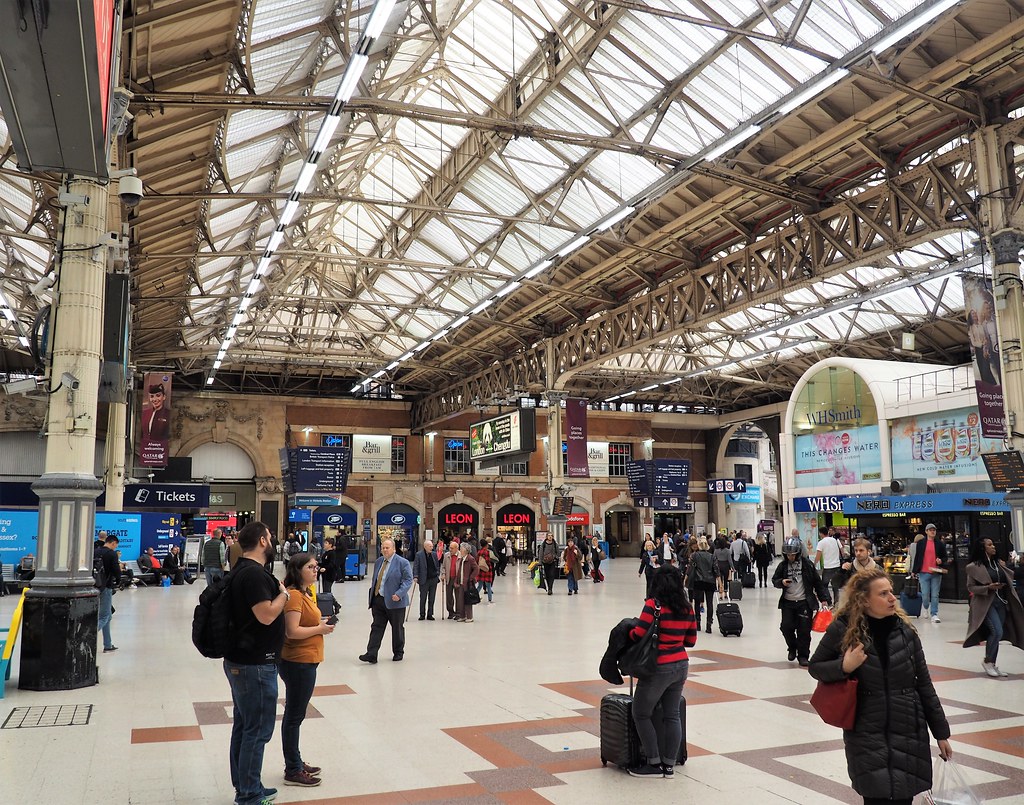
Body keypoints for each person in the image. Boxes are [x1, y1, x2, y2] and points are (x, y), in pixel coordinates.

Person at [809, 568, 952, 805]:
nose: (892, 598)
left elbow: (924, 684)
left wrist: (941, 733)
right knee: (875, 797)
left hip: (908, 729)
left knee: (904, 797)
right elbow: (816, 667)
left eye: (891, 592)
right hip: (867, 732)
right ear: (864, 599)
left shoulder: (905, 632)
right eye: (883, 593)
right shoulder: (844, 628)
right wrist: (844, 666)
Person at [223, 521, 289, 805]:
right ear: (263, 541)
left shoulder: (239, 570)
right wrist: (284, 595)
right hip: (256, 665)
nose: (272, 543)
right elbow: (266, 615)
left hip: (242, 660)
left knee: (244, 725)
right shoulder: (253, 575)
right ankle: (249, 794)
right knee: (257, 730)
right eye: (270, 538)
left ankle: (246, 785)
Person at [626, 566, 698, 779]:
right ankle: (669, 766)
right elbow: (691, 641)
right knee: (672, 715)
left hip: (657, 667)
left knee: (640, 713)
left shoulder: (653, 606)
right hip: (681, 665)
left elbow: (638, 633)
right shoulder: (687, 608)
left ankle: (653, 762)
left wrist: (628, 633)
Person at [279, 552, 335, 787]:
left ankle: (296, 761)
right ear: (298, 569)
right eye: (310, 566)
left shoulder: (303, 593)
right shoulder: (293, 595)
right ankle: (293, 768)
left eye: (316, 566)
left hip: (306, 659)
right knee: (294, 715)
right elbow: (292, 631)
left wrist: (319, 622)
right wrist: (320, 629)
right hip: (297, 661)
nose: (315, 569)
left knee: (296, 714)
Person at [964, 538, 1024, 678]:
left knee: (998, 633)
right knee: (996, 631)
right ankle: (988, 661)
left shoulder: (998, 564)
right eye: (989, 545)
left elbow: (1011, 575)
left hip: (1001, 602)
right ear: (982, 548)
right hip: (986, 604)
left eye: (993, 544)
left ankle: (992, 662)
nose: (993, 547)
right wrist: (988, 587)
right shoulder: (973, 567)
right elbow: (971, 587)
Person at [773, 536, 831, 666]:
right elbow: (775, 580)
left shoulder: (807, 565)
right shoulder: (783, 566)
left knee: (804, 630)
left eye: (793, 555)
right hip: (788, 602)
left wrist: (824, 599)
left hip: (805, 602)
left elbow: (817, 582)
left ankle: (803, 655)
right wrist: (781, 582)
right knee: (786, 627)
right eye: (788, 555)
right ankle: (792, 648)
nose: (791, 557)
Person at [359, 538, 413, 663]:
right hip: (379, 600)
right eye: (383, 547)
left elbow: (408, 580)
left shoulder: (402, 562)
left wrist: (399, 594)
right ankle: (371, 653)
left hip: (395, 601)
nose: (384, 550)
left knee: (397, 628)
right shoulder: (379, 562)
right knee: (376, 627)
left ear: (394, 549)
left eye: (387, 547)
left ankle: (398, 652)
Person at [909, 524, 947, 623]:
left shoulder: (939, 544)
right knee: (925, 594)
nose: (932, 532)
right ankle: (925, 607)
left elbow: (945, 557)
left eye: (934, 530)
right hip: (923, 572)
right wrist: (914, 570)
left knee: (935, 594)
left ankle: (934, 614)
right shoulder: (921, 543)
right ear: (926, 532)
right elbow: (917, 557)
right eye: (930, 530)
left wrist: (941, 561)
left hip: (936, 572)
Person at [94, 534, 121, 653]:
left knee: (107, 615)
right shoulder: (111, 554)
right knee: (105, 616)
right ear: (113, 543)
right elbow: (116, 570)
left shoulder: (95, 552)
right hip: (106, 586)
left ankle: (108, 644)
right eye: (115, 545)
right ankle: (88, 635)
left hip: (95, 585)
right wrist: (119, 581)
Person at [685, 536, 717, 634]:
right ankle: (709, 625)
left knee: (697, 602)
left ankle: (698, 624)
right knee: (710, 603)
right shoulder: (712, 556)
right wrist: (720, 582)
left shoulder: (694, 555)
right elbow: (716, 570)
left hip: (698, 581)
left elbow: (690, 568)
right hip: (710, 581)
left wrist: (685, 578)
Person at [814, 526, 846, 605]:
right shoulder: (835, 540)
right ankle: (836, 603)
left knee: (824, 585)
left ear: (821, 534)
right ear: (827, 532)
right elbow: (842, 551)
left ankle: (829, 601)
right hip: (837, 566)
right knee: (836, 586)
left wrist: (814, 564)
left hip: (828, 567)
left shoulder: (821, 542)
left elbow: (818, 556)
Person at [413, 539, 440, 619]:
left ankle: (430, 614)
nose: (432, 548)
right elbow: (416, 566)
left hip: (433, 579)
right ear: (425, 547)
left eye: (432, 546)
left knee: (432, 598)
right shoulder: (419, 555)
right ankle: (422, 614)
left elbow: (437, 565)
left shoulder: (434, 554)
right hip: (423, 579)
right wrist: (415, 576)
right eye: (430, 546)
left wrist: (437, 573)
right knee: (423, 598)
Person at [454, 541, 480, 623]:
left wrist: (471, 578)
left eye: (461, 549)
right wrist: (456, 580)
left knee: (468, 600)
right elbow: (459, 571)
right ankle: (462, 616)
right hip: (461, 582)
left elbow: (477, 569)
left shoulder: (470, 559)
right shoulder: (462, 559)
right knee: (461, 600)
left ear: (465, 550)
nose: (460, 550)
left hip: (468, 583)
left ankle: (469, 616)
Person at [441, 539, 460, 618]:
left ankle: (458, 613)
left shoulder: (460, 556)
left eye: (452, 548)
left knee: (458, 596)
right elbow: (443, 566)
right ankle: (450, 612)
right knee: (449, 596)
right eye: (450, 548)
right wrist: (443, 574)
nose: (450, 549)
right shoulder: (446, 555)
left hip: (457, 579)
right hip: (449, 578)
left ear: (456, 548)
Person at [476, 538, 495, 603]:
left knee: (479, 586)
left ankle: (475, 596)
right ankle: (490, 599)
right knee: (488, 586)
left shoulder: (479, 552)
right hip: (487, 570)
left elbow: (477, 560)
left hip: (481, 570)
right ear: (486, 545)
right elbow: (492, 560)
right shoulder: (488, 552)